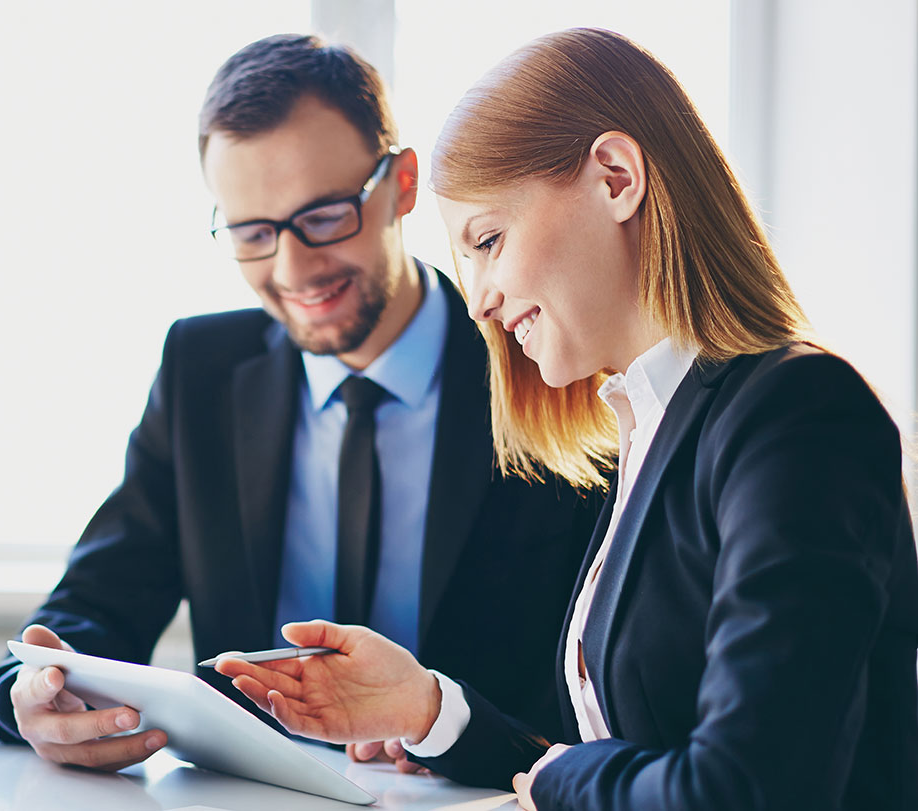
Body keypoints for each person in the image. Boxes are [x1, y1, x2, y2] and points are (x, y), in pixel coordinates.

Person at [217, 27, 918, 810]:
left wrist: (557, 778)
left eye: (488, 240)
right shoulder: (646, 424)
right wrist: (430, 708)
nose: (476, 299)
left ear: (616, 178)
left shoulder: (799, 414)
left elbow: (743, 786)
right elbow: (622, 757)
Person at [0, 34, 601, 772]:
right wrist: (34, 692)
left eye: (325, 215)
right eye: (253, 233)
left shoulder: (539, 355)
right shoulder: (202, 368)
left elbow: (597, 691)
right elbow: (99, 601)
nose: (294, 268)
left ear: (401, 185)